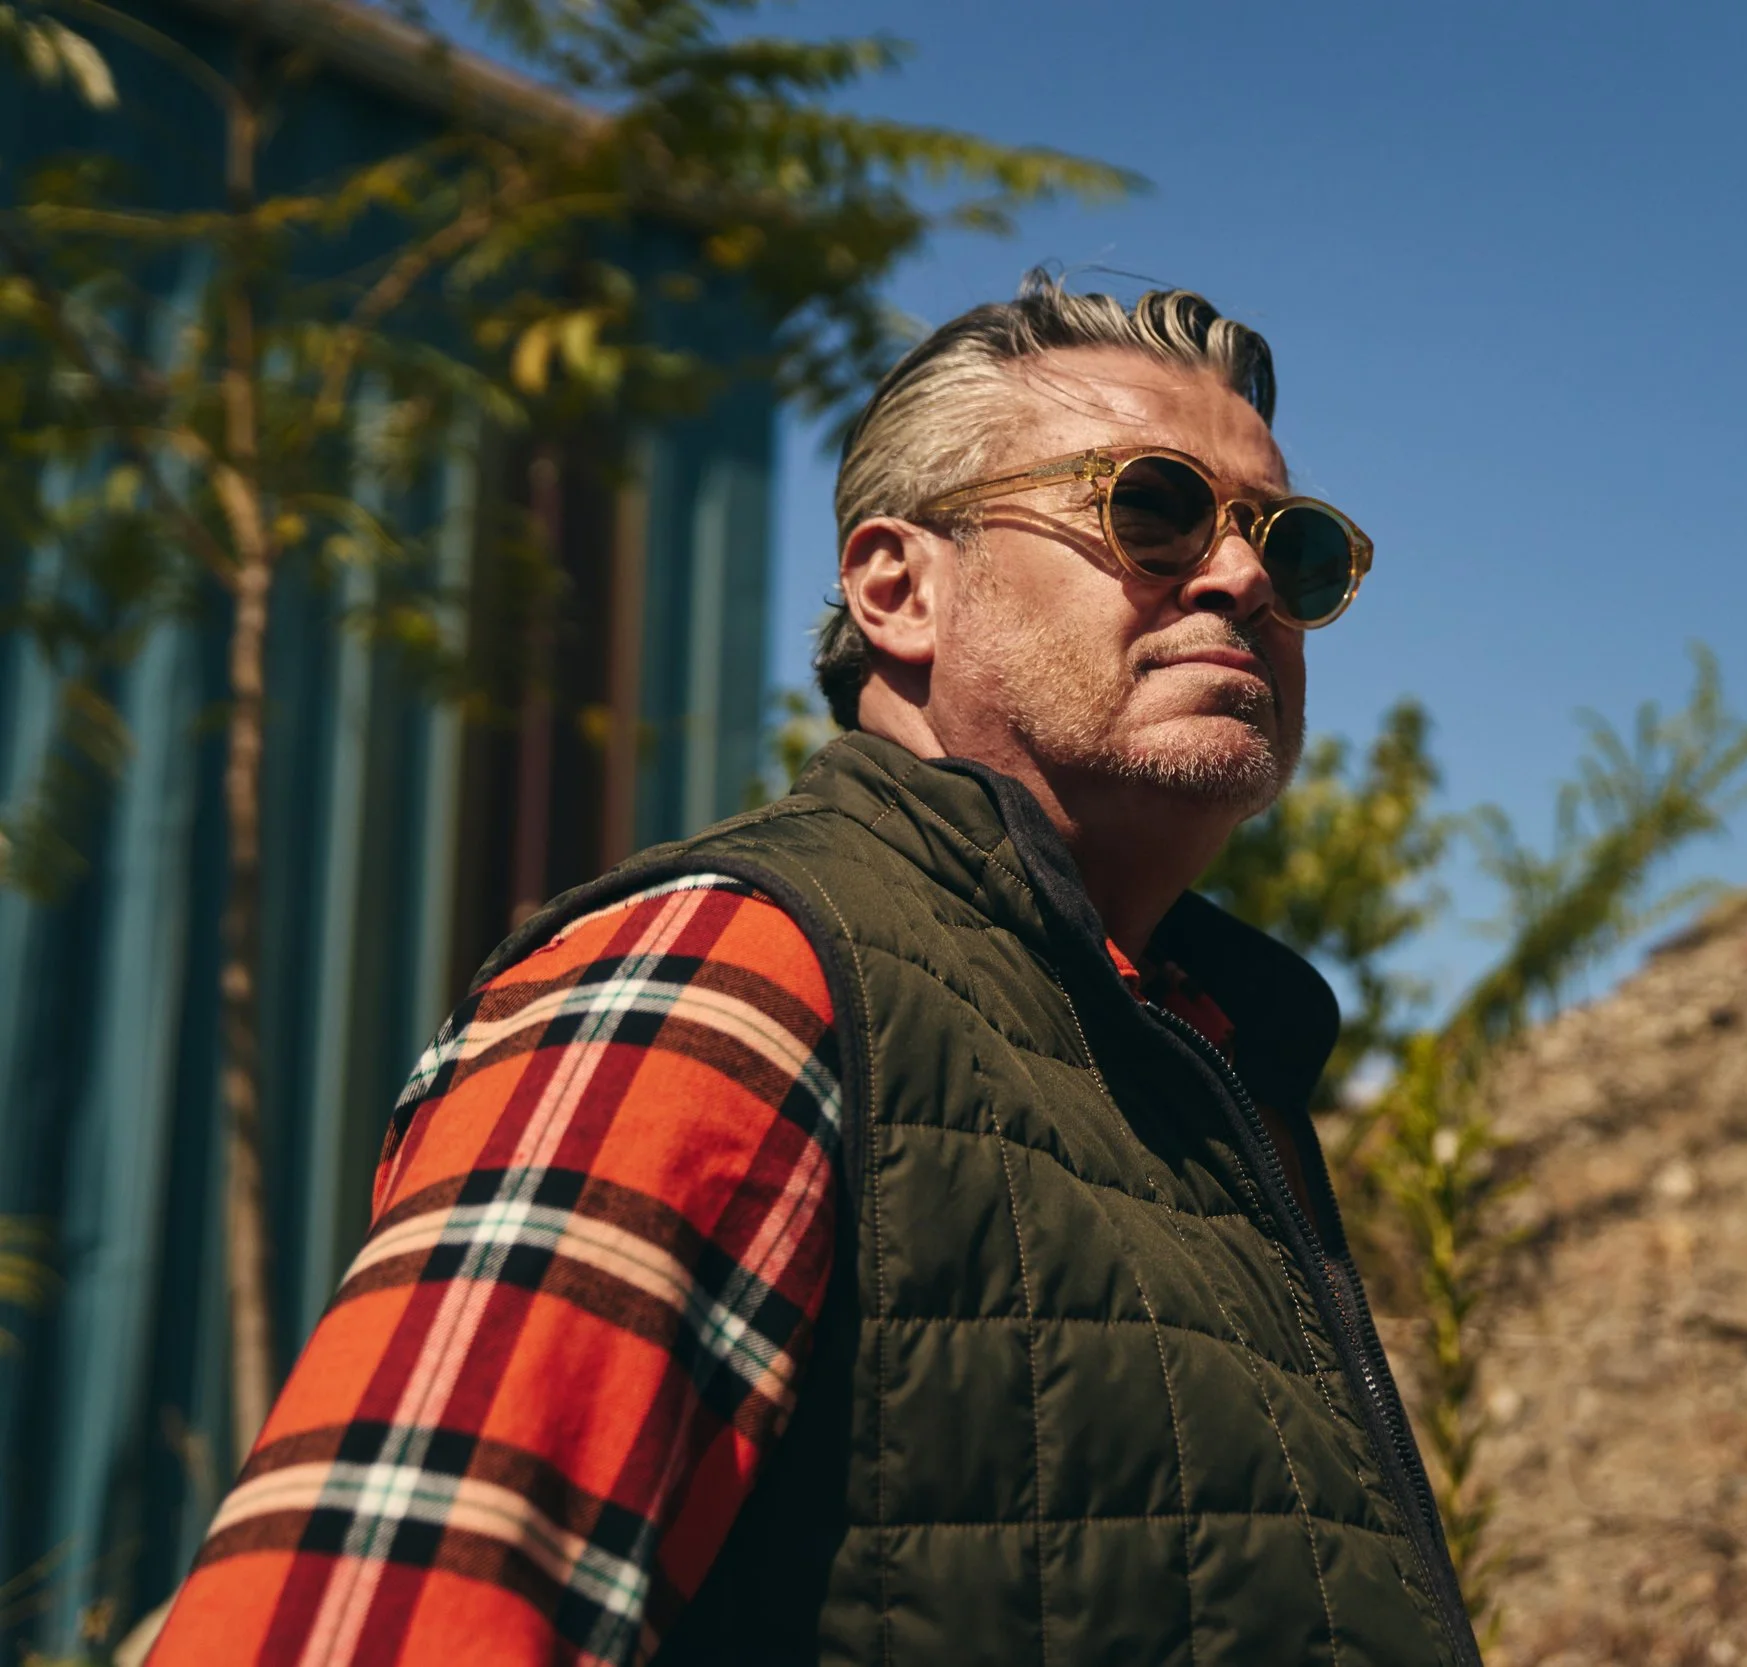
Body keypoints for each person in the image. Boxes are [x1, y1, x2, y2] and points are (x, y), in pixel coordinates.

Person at [150, 276, 1478, 1665]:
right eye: (1151, 509)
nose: (1244, 577)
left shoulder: (1196, 1058)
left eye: (1297, 547)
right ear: (899, 587)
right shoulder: (734, 970)